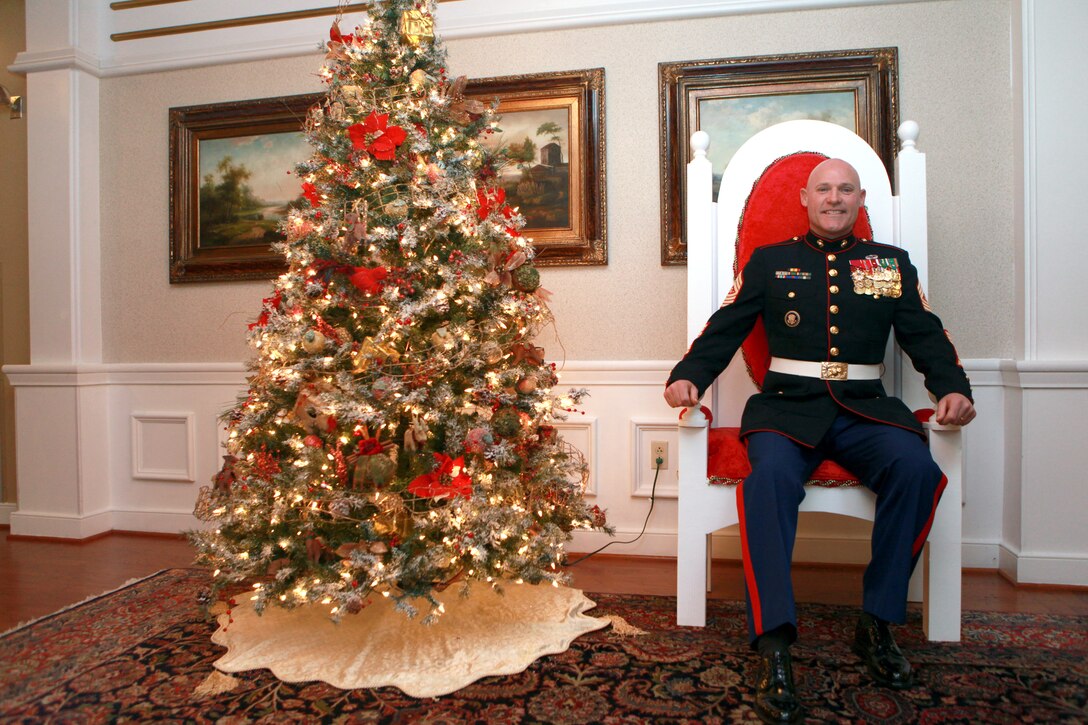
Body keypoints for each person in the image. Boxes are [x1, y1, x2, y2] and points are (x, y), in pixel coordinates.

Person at [664, 159, 975, 724]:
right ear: (805, 198)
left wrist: (953, 389)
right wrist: (688, 375)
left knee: (918, 470)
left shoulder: (889, 264)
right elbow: (725, 326)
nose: (835, 199)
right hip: (786, 411)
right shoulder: (771, 261)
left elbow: (925, 335)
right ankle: (774, 643)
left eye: (846, 190)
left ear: (860, 201)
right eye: (824, 189)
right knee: (769, 483)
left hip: (866, 411)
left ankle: (877, 623)